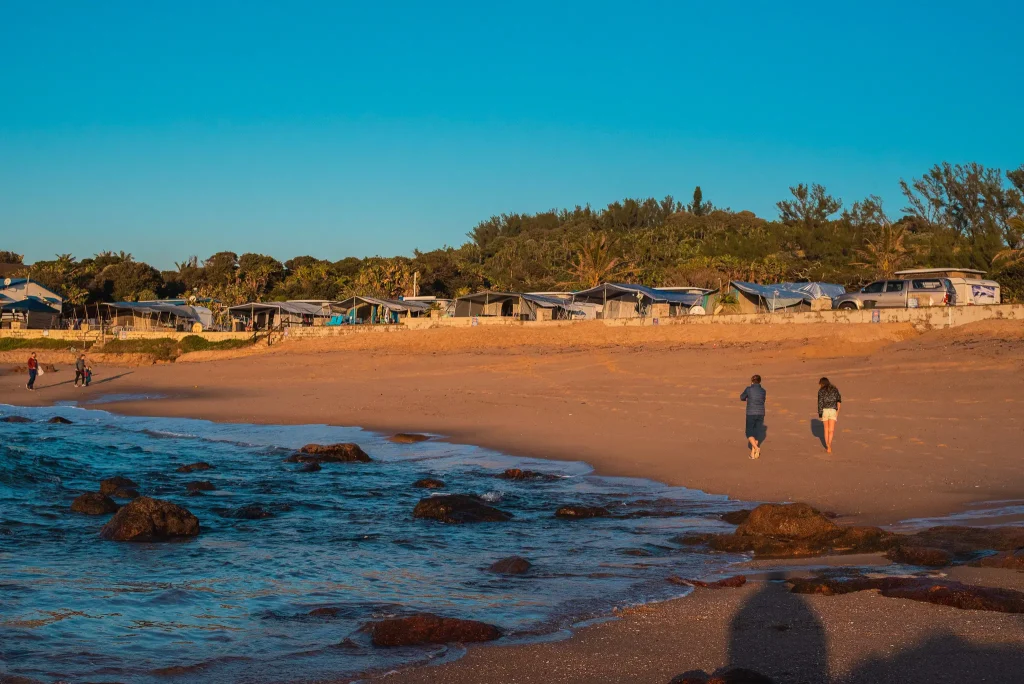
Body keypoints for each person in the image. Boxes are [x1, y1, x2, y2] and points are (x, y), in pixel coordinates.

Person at [739, 374, 766, 459]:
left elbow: (742, 397)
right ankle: (752, 454)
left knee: (749, 433)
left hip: (751, 413)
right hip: (761, 413)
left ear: (752, 381)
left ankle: (757, 448)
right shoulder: (763, 391)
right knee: (756, 433)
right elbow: (763, 400)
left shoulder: (749, 389)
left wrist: (747, 398)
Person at [817, 377, 842, 453]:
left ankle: (827, 445)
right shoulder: (835, 389)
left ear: (822, 383)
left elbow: (820, 403)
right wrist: (837, 411)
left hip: (825, 410)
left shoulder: (821, 391)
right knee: (831, 430)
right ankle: (829, 444)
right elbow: (839, 401)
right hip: (833, 410)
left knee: (826, 429)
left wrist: (820, 414)